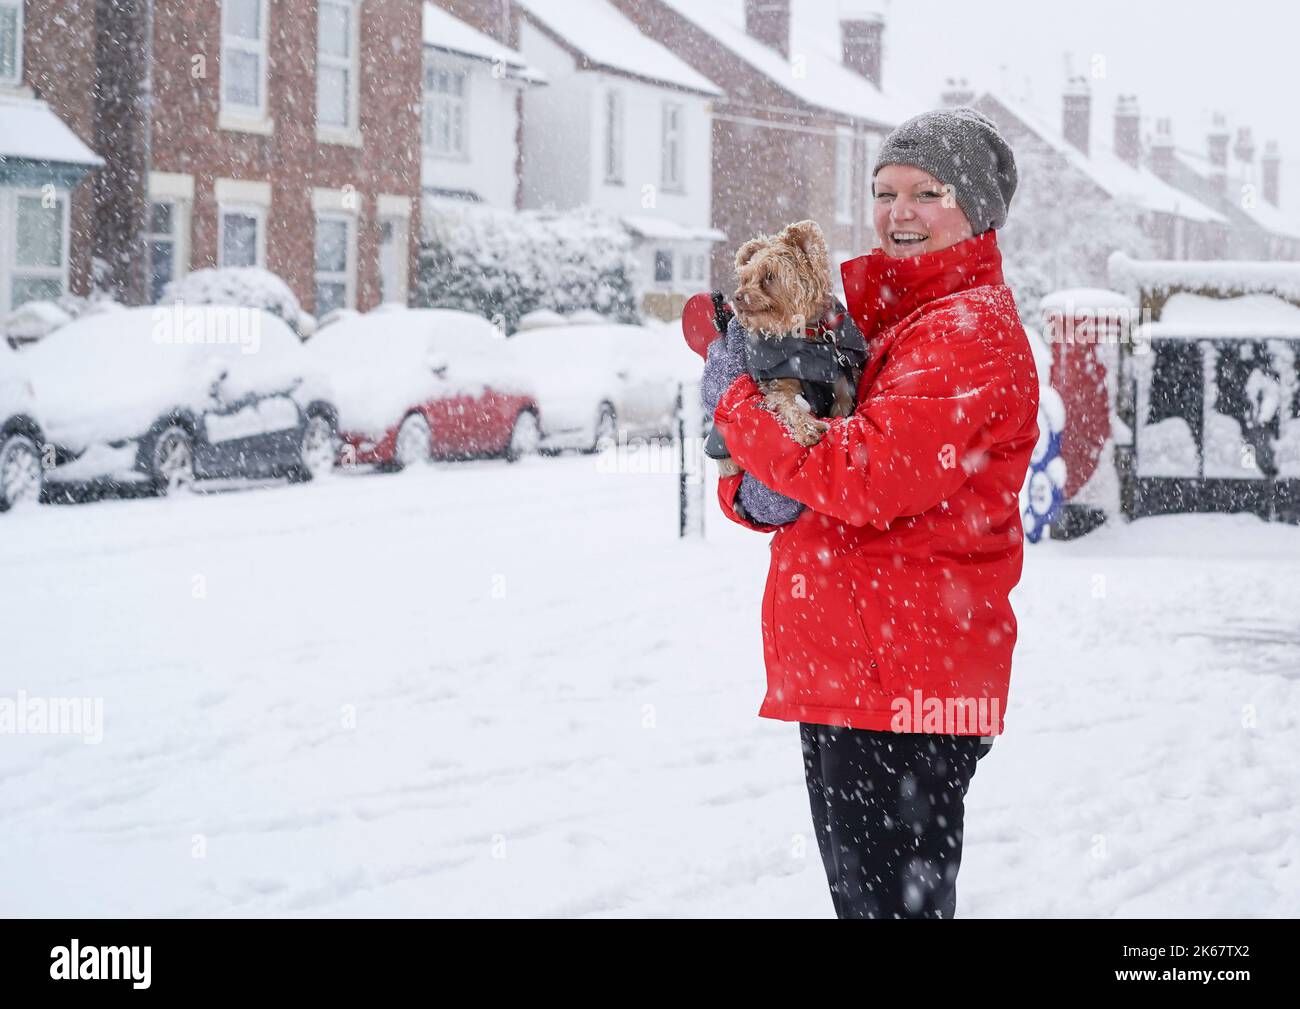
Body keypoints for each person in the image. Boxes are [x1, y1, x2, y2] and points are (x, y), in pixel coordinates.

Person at [702, 107, 1039, 918]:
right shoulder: (870, 316)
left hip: (907, 685)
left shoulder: (968, 333)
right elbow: (805, 475)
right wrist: (750, 488)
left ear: (979, 210)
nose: (900, 212)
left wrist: (738, 405)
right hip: (857, 674)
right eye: (886, 190)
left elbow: (860, 476)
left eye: (928, 192)